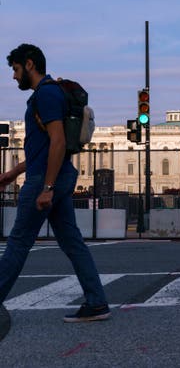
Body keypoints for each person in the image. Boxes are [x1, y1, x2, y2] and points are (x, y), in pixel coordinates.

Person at [0, 44, 110, 322]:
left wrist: (47, 188)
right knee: (71, 241)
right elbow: (45, 147)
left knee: (19, 241)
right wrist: (13, 174)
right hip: (55, 176)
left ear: (29, 64)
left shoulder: (46, 94)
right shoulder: (49, 93)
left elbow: (58, 141)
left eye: (14, 69)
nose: (13, 77)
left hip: (45, 180)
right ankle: (97, 303)